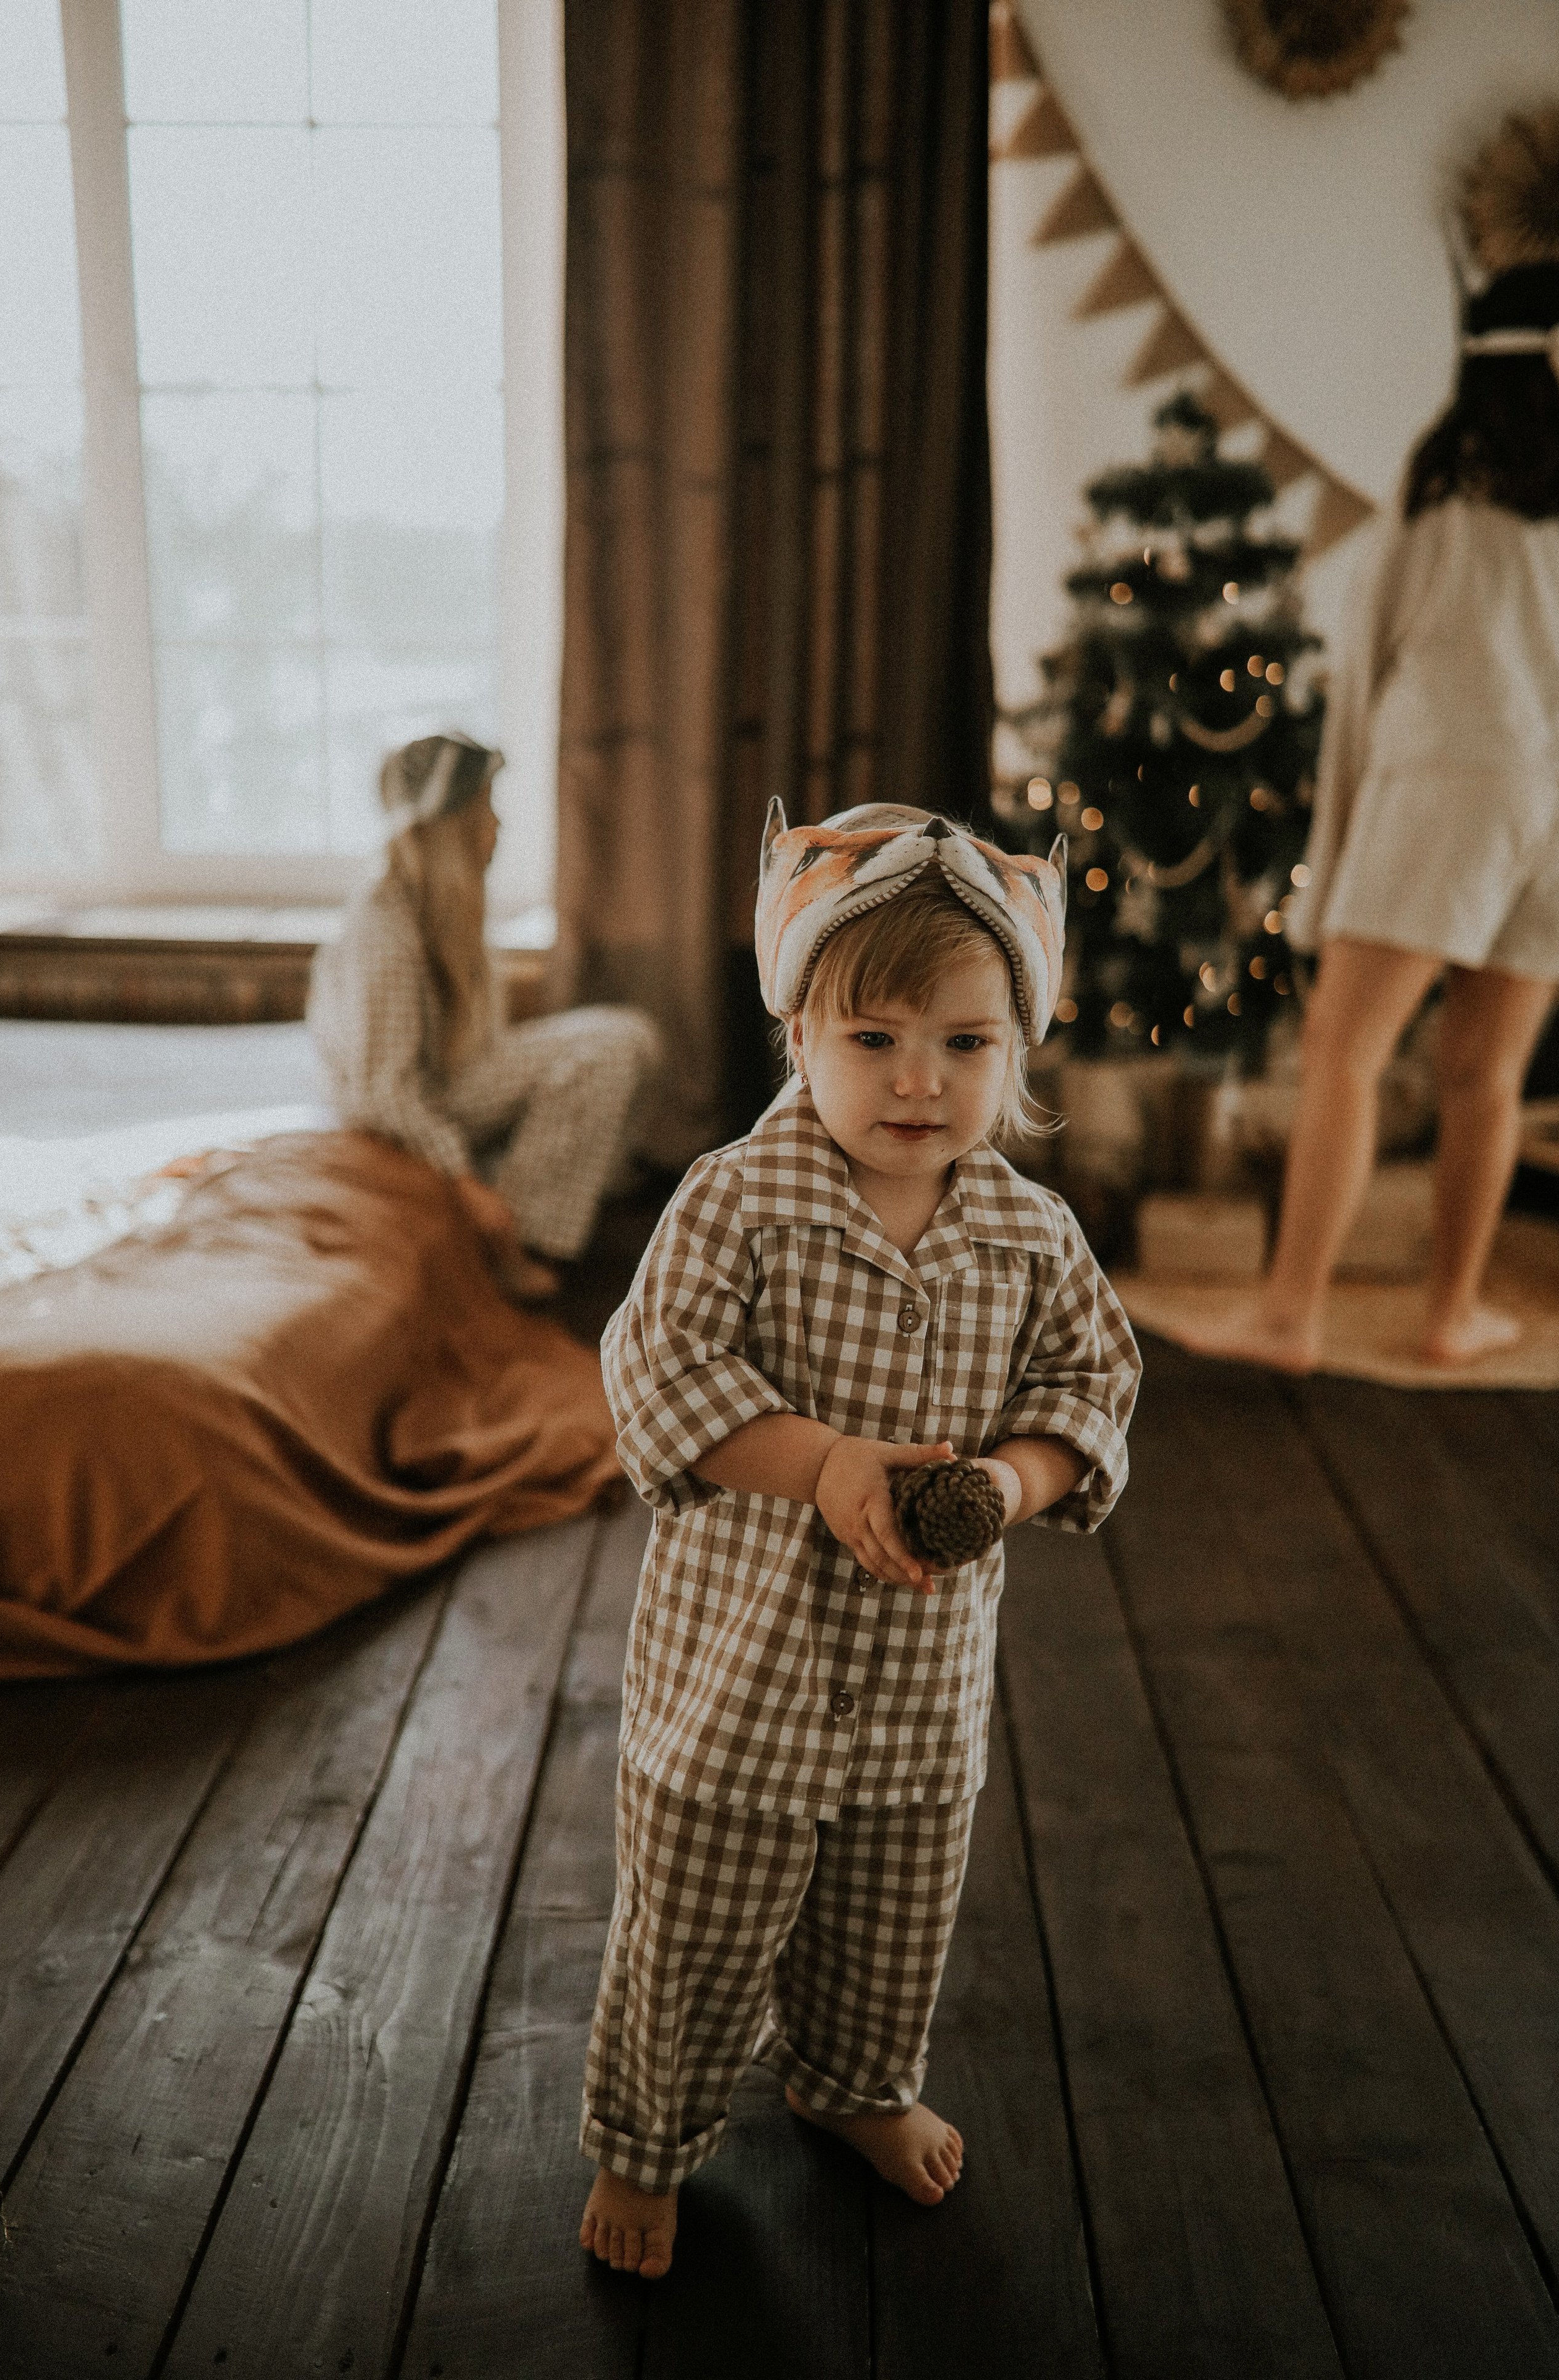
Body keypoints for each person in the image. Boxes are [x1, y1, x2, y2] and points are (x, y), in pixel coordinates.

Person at [577, 801, 1140, 2280]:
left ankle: (851, 2084)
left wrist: (1011, 1483)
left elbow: (1089, 1383)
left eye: (965, 1042)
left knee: (889, 1920)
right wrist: (819, 1460)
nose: (919, 1078)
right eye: (874, 1035)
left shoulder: (1029, 1235)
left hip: (915, 1688)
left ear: (1016, 1048)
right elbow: (657, 1369)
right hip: (738, 1689)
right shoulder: (735, 1201)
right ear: (797, 1035)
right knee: (693, 1931)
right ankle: (646, 2139)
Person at [1198, 260, 1559, 1373]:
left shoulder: (1443, 505)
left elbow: (1363, 676)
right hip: (1558, 802)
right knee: (1486, 1070)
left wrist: (1340, 841)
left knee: (1344, 1049)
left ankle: (1288, 1314)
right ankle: (1449, 1313)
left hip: (1452, 778)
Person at [308, 733, 660, 1298]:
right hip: (404, 1102)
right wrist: (466, 1186)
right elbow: (386, 1091)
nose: (499, 825)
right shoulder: (385, 924)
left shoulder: (441, 902)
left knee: (630, 1035)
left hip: (449, 1080)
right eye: (487, 809)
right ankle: (511, 1245)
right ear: (451, 824)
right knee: (608, 1047)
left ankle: (541, 1216)